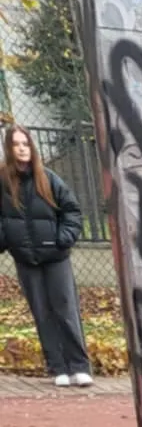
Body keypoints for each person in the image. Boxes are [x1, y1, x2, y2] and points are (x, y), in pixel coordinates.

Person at [0, 122, 92, 387]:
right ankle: (57, 367)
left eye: (25, 143)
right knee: (42, 313)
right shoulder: (3, 182)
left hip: (55, 257)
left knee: (65, 309)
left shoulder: (48, 178)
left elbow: (72, 211)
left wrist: (63, 239)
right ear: (8, 148)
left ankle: (79, 366)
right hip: (25, 259)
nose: (22, 149)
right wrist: (7, 240)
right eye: (16, 144)